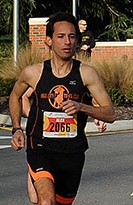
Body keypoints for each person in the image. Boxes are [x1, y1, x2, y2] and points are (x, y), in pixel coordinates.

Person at [8, 13, 115, 205]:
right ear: (49, 40)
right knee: (47, 201)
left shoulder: (87, 74)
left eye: (72, 37)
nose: (67, 42)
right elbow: (15, 96)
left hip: (72, 151)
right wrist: (16, 128)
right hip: (40, 146)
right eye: (61, 36)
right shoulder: (34, 72)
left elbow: (110, 114)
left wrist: (82, 107)